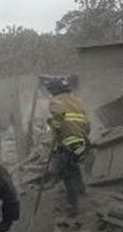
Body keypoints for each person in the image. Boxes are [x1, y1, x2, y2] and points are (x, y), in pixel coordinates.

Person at [41, 75, 91, 217]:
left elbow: (58, 117)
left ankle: (72, 207)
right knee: (73, 164)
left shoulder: (56, 101)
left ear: (54, 90)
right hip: (81, 141)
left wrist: (53, 125)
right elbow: (87, 124)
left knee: (67, 173)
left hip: (67, 142)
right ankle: (81, 188)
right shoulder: (76, 101)